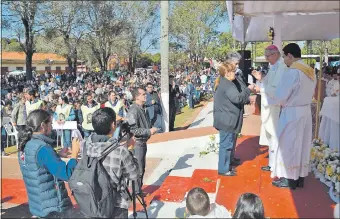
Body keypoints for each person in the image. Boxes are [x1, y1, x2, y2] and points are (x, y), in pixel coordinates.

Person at [252, 43, 316, 189]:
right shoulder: (310, 71)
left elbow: (281, 96)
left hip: (292, 112)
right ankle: (300, 177)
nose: (285, 61)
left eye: (286, 57)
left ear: (290, 56)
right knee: (302, 145)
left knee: (289, 145)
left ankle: (289, 178)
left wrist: (263, 90)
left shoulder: (293, 72)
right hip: (305, 111)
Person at [18, 109, 81, 218]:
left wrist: (56, 155)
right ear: (43, 125)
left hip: (38, 204)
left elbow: (37, 164)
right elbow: (66, 174)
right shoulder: (43, 149)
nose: (52, 127)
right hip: (53, 208)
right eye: (50, 124)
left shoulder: (25, 145)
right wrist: (75, 154)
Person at [84, 107, 139, 218]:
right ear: (113, 125)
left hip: (93, 201)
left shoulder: (85, 145)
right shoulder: (119, 151)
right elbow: (134, 174)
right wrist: (131, 149)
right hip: (116, 205)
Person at [213, 62, 254, 176]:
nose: (235, 73)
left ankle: (229, 162)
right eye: (233, 71)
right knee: (226, 144)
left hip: (227, 118)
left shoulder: (226, 82)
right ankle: (223, 169)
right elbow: (237, 98)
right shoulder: (227, 84)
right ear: (226, 73)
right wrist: (248, 89)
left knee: (229, 142)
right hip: (227, 119)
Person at [252, 45, 288, 173]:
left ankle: (276, 165)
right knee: (272, 137)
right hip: (270, 106)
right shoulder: (273, 67)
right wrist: (261, 79)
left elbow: (276, 89)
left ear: (276, 54)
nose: (266, 59)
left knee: (275, 137)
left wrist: (260, 88)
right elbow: (268, 84)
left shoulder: (282, 67)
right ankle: (272, 164)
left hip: (276, 107)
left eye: (268, 56)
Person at [126, 87, 158, 194]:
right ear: (137, 97)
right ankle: (136, 193)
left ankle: (138, 191)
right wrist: (149, 131)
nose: (146, 95)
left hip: (142, 143)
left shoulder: (141, 108)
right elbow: (133, 129)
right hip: (137, 144)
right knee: (138, 170)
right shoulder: (134, 110)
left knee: (141, 168)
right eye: (143, 94)